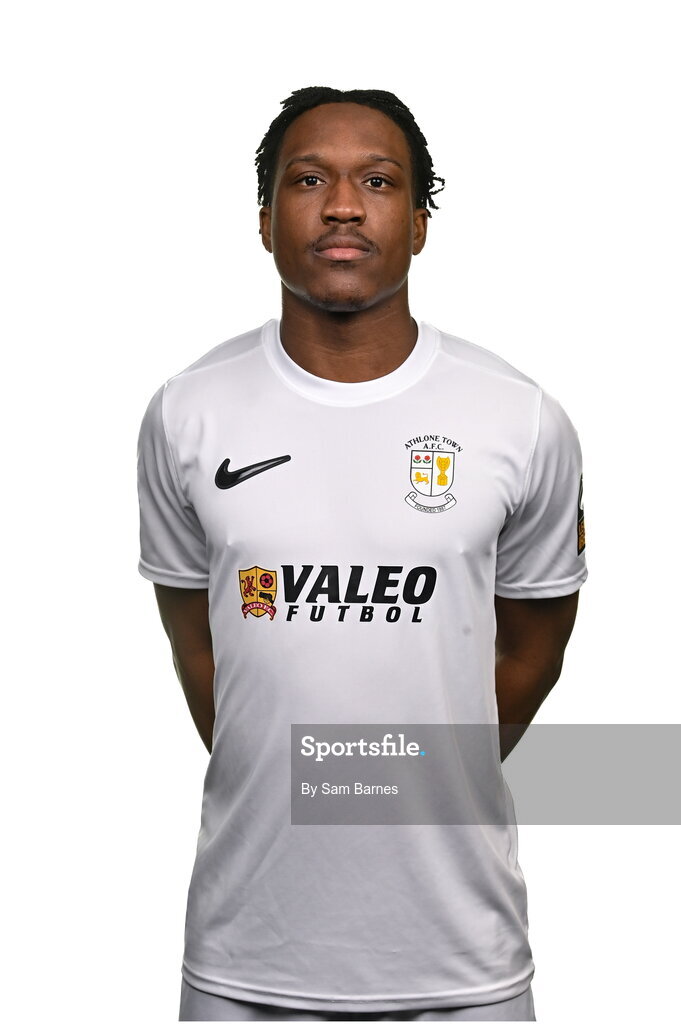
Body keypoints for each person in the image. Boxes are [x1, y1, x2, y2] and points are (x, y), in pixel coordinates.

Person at [136, 86, 588, 1022]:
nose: (342, 205)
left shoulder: (518, 418)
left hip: (462, 965)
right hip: (245, 960)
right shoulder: (187, 412)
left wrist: (384, 777)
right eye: (309, 180)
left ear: (418, 223)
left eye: (377, 182)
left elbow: (530, 654)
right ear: (264, 220)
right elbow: (200, 649)